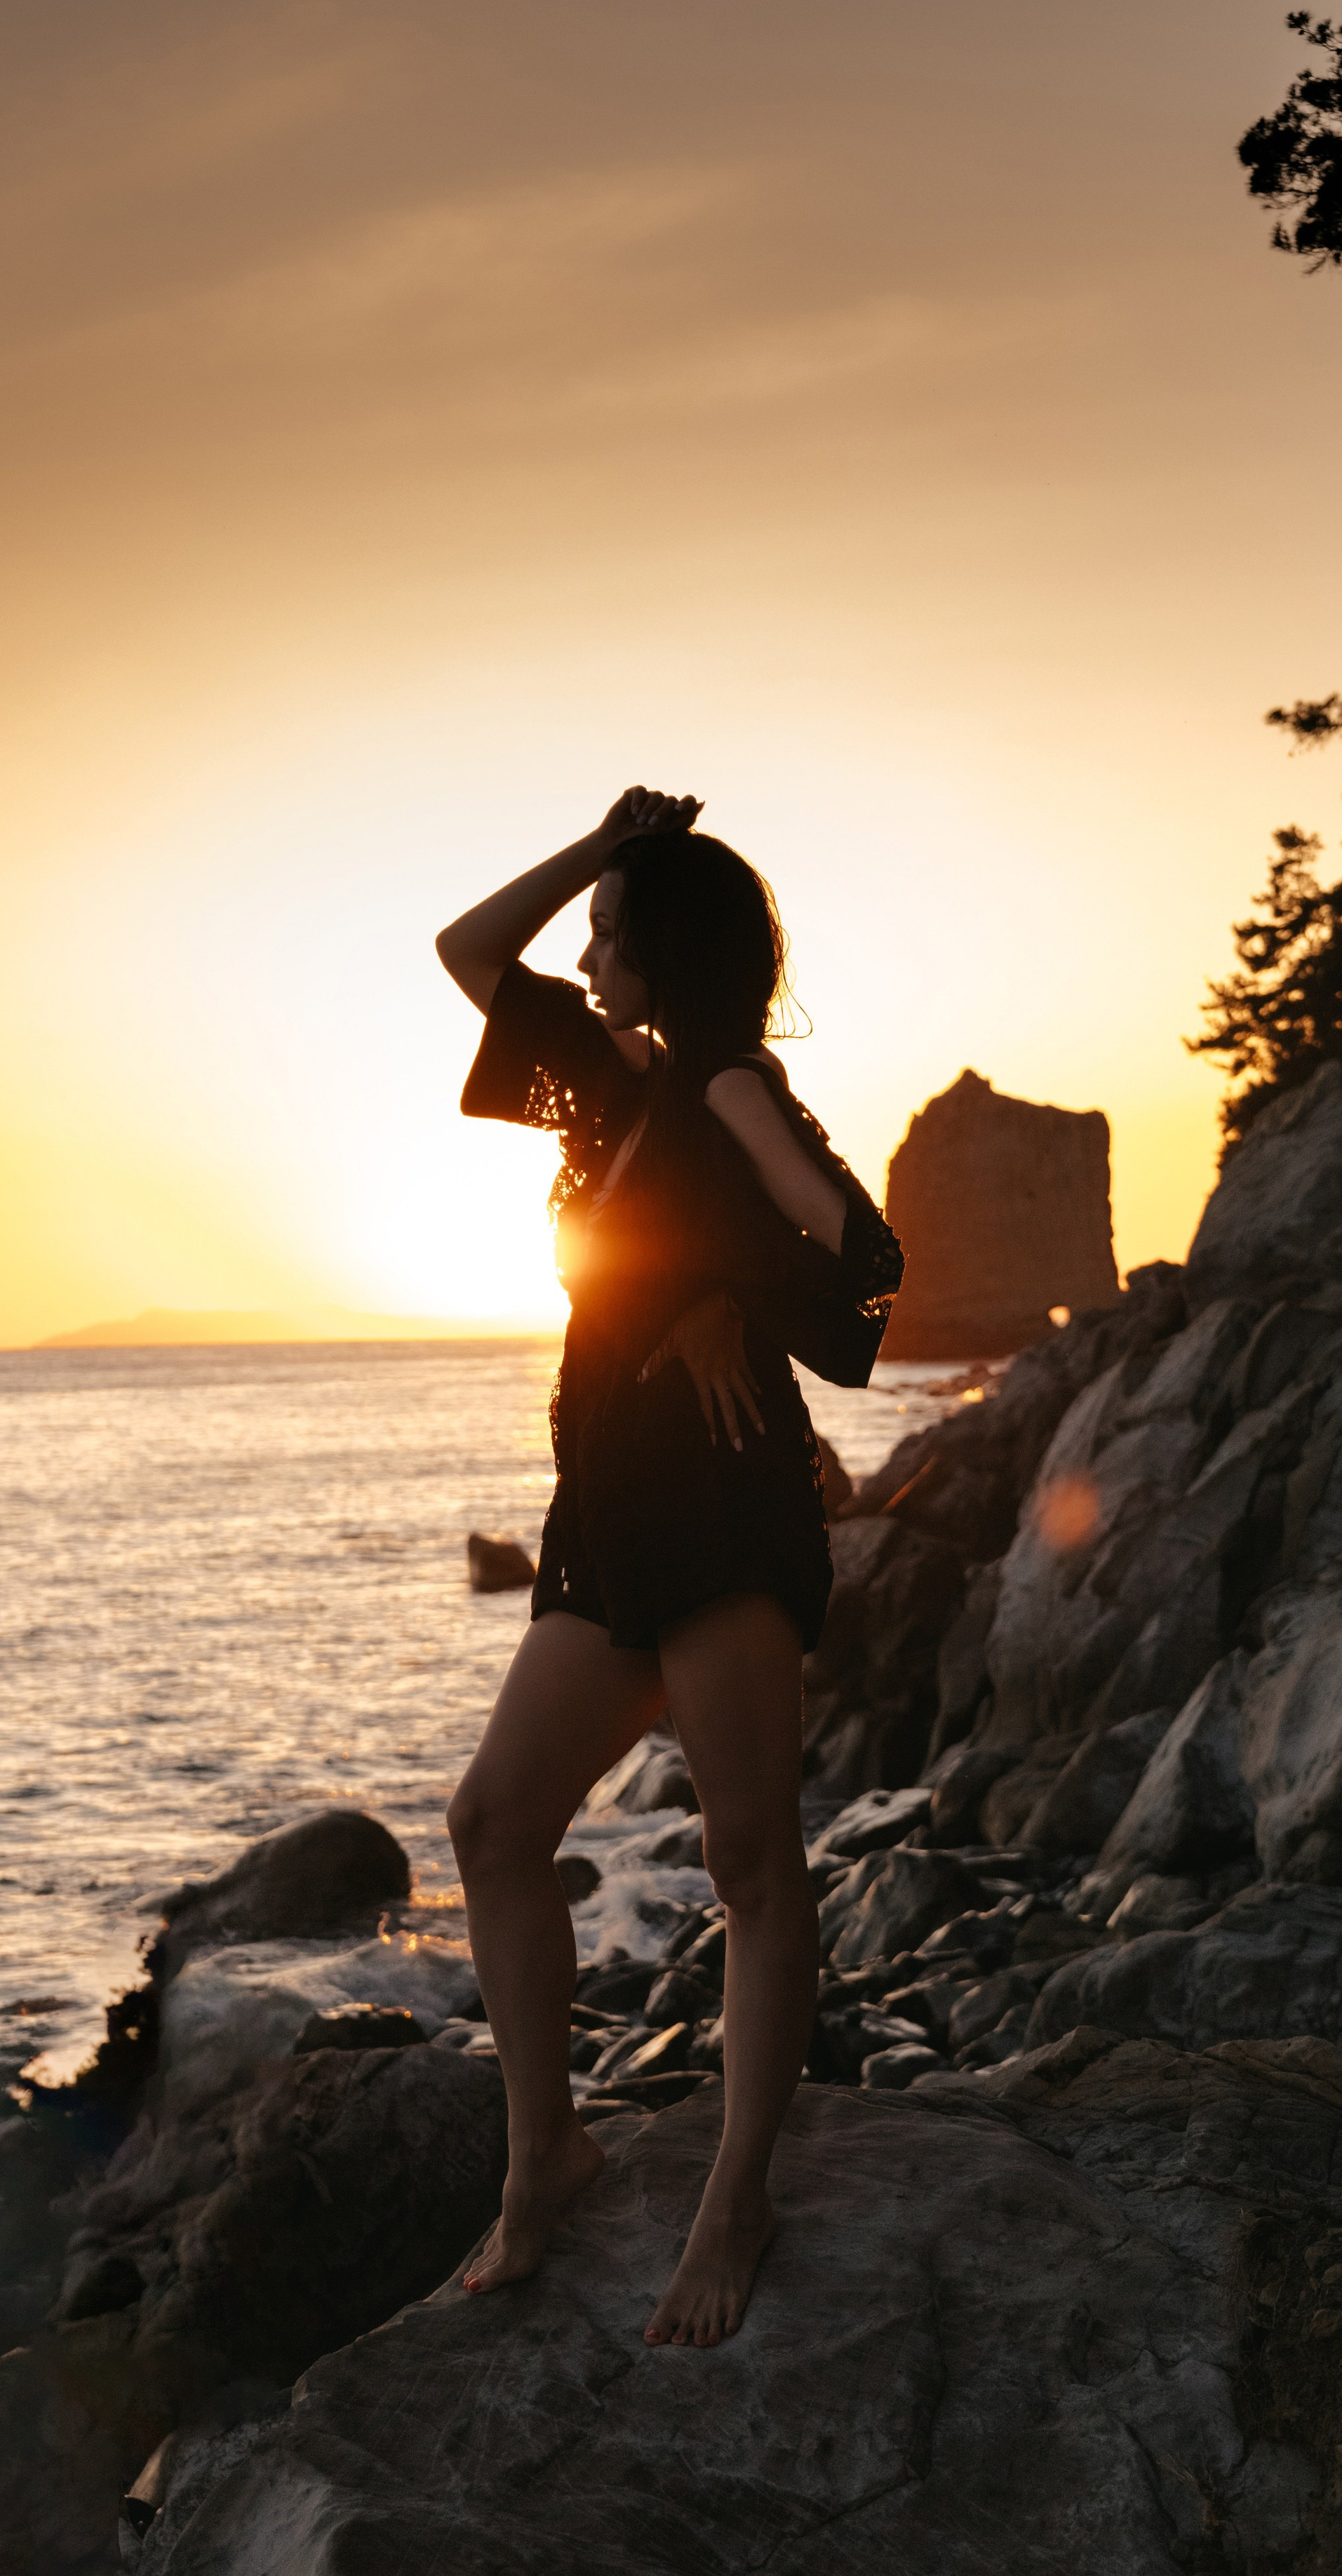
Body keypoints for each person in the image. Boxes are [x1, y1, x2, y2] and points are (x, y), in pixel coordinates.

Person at [435, 787, 903, 2347]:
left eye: (613, 930)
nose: (586, 947)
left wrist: (716, 1294)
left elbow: (853, 1249)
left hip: (720, 1511)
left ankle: (736, 2197)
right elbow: (468, 948)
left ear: (669, 958)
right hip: (606, 1515)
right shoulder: (602, 1080)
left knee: (750, 1865)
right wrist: (600, 842)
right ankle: (545, 2153)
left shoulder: (718, 1082)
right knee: (495, 1821)